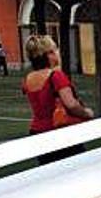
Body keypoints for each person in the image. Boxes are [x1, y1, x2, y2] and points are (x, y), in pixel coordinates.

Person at [22, 35, 94, 164]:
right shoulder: (56, 76)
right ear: (48, 54)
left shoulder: (28, 78)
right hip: (59, 130)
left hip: (37, 131)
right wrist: (87, 113)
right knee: (78, 167)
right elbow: (71, 105)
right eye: (55, 49)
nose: (58, 52)